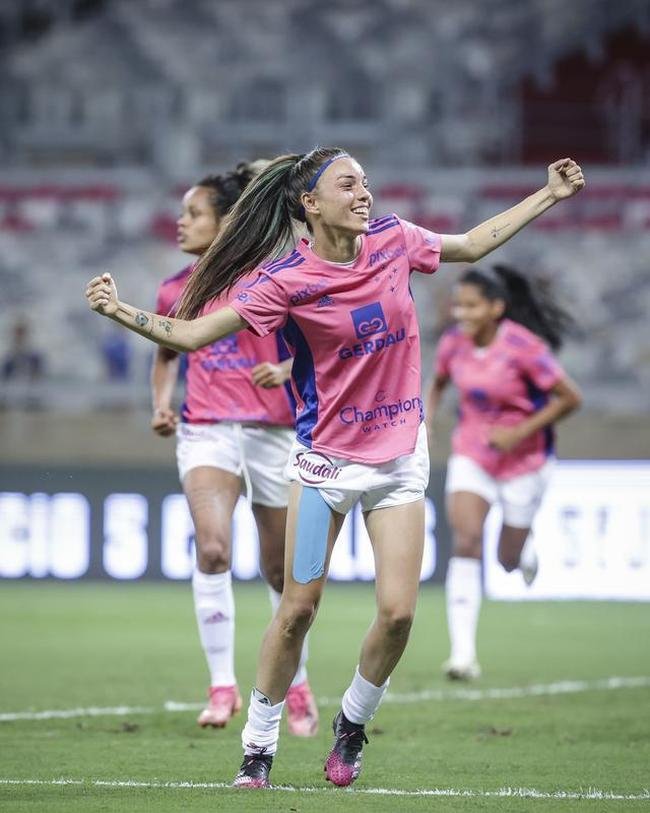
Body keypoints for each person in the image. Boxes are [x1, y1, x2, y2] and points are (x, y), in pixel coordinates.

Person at [85, 149, 585, 789]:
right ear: (311, 205)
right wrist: (118, 310)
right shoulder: (284, 281)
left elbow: (469, 245)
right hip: (323, 464)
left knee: (400, 614)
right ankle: (258, 748)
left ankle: (351, 725)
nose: (365, 193)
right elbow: (190, 337)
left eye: (367, 182)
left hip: (400, 460)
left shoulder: (394, 239)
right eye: (349, 184)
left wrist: (547, 195)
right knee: (296, 610)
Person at [150, 163, 319, 735]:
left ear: (225, 223)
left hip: (273, 432)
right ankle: (222, 686)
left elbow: (325, 341)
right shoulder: (178, 287)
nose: (181, 223)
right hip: (207, 430)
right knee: (214, 550)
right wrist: (161, 402)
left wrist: (288, 365)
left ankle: (295, 685)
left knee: (279, 571)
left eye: (193, 213)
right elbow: (167, 352)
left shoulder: (272, 278)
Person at [425, 265, 582, 681]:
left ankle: (523, 549)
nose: (462, 314)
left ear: (496, 308)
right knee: (466, 540)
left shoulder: (524, 347)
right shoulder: (454, 344)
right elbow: (438, 381)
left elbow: (570, 398)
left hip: (525, 461)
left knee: (507, 561)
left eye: (471, 306)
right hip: (472, 453)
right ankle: (462, 655)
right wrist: (427, 419)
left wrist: (518, 433)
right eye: (458, 305)